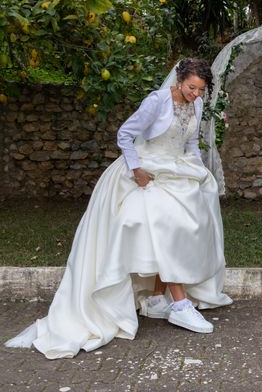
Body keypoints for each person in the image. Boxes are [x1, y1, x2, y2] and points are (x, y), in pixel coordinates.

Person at [4, 58, 231, 359]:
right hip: (146, 171)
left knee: (181, 229)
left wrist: (201, 173)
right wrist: (136, 170)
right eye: (192, 88)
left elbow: (190, 145)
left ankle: (154, 299)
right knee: (166, 224)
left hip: (178, 170)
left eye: (201, 90)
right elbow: (125, 135)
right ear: (179, 81)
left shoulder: (197, 105)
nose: (196, 95)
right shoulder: (156, 101)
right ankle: (179, 303)